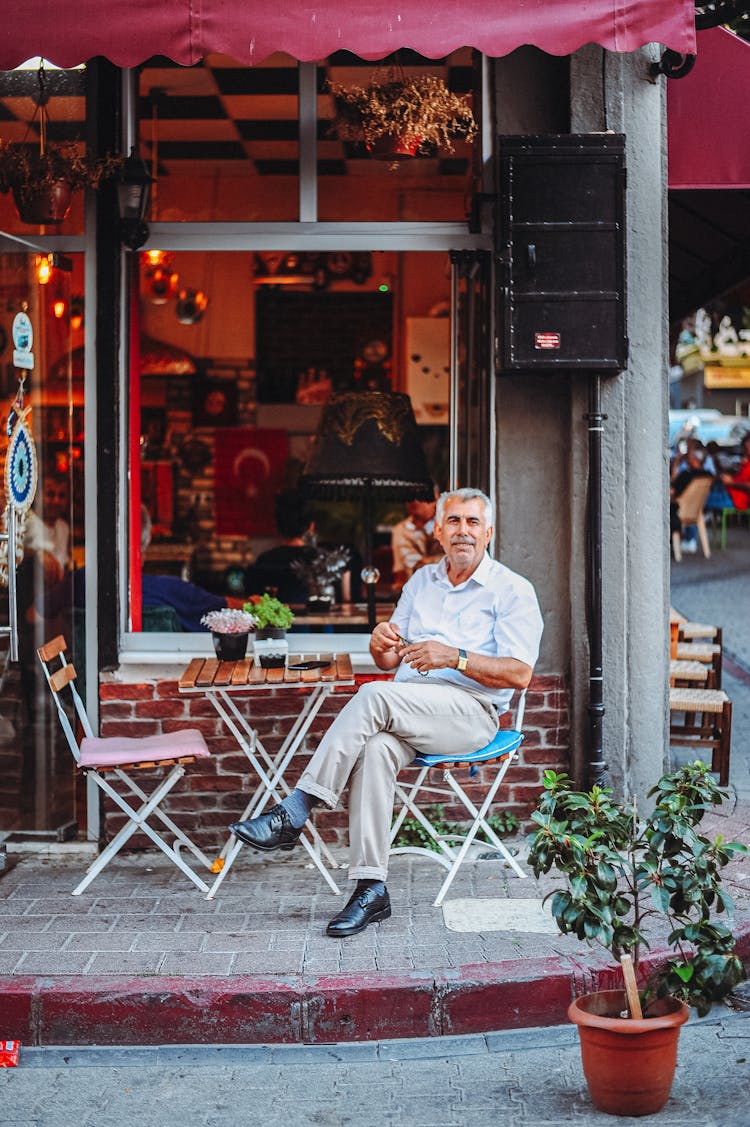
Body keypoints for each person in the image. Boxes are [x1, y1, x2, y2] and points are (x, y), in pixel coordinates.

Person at [229, 487, 544, 938]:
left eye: (473, 523)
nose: (463, 532)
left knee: (373, 698)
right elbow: (389, 661)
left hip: (470, 714)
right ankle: (369, 887)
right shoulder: (421, 583)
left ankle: (296, 808)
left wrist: (454, 657)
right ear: (437, 530)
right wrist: (380, 644)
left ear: (489, 532)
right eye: (453, 521)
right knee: (375, 749)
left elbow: (519, 673)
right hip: (409, 710)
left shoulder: (511, 590)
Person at [390, 494, 443, 591]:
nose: (413, 501)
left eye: (419, 496)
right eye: (410, 496)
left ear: (435, 499)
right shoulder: (400, 530)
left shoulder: (447, 527)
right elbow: (399, 573)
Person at [719, 433, 750, 512]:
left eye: (746, 448)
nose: (745, 451)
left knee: (701, 498)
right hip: (733, 495)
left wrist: (730, 482)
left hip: (739, 500)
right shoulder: (745, 462)